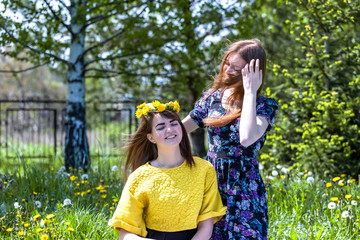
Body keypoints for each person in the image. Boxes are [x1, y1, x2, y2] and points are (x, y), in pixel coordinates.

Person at [183, 39, 278, 240]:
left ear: (253, 73)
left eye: (237, 68)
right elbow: (180, 130)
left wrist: (251, 91)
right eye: (228, 63)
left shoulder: (264, 106)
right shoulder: (211, 99)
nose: (228, 70)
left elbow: (246, 138)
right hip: (211, 183)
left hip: (244, 186)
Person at [109, 100, 227, 240]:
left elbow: (206, 227)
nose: (169, 129)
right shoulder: (139, 177)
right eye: (160, 127)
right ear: (151, 137)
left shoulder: (204, 170)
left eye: (173, 123)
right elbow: (125, 234)